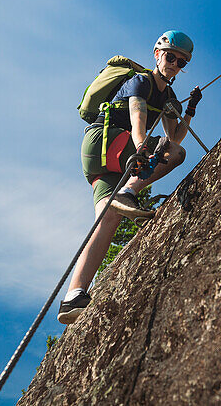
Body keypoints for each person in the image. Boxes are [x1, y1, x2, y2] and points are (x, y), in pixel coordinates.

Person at [57, 30, 202, 324]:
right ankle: (129, 191)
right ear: (157, 54)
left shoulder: (169, 97)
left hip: (102, 162)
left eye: (181, 61)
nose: (174, 63)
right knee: (173, 155)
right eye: (170, 56)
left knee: (107, 219)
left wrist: (190, 110)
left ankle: (74, 295)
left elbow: (175, 135)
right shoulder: (140, 81)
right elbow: (137, 116)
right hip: (107, 141)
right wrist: (139, 147)